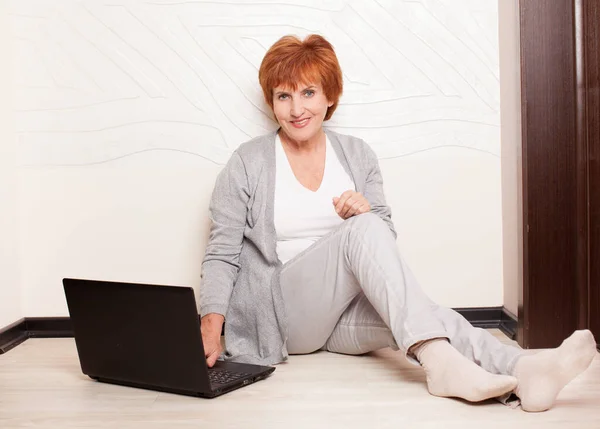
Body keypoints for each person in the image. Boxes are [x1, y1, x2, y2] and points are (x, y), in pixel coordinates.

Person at [199, 34, 597, 412]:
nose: (296, 108)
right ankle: (443, 367)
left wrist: (363, 213)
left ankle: (525, 371)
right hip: (281, 315)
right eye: (283, 96)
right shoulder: (248, 162)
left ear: (330, 95)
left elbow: (382, 245)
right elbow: (222, 252)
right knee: (366, 230)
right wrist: (211, 326)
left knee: (424, 313)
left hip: (339, 319)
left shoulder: (358, 155)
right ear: (272, 102)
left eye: (308, 92)